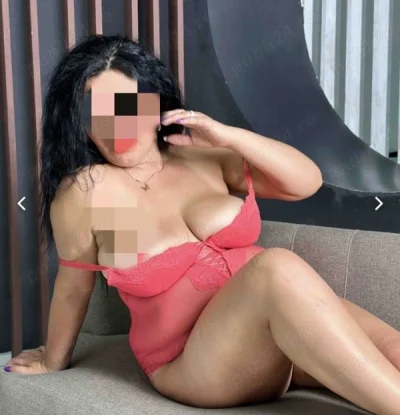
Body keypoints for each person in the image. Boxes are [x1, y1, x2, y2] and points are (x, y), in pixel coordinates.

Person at [5, 34, 400, 414]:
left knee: (393, 349)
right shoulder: (84, 193)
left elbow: (305, 182)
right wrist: (52, 360)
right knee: (275, 267)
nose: (117, 126)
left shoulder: (201, 158)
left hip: (273, 335)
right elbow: (74, 287)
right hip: (193, 364)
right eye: (98, 113)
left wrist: (229, 137)